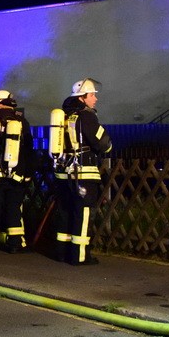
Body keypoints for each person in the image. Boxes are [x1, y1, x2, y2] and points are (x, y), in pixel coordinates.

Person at [56, 78, 112, 266]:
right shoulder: (87, 116)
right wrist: (109, 146)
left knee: (65, 212)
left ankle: (62, 253)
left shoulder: (63, 116)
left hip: (64, 174)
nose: (95, 99)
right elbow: (102, 143)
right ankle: (80, 256)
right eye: (92, 95)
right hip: (84, 173)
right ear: (82, 98)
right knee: (84, 213)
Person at [0, 90, 36, 253]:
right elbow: (29, 150)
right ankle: (15, 244)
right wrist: (28, 174)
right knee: (14, 208)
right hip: (16, 174)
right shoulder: (22, 121)